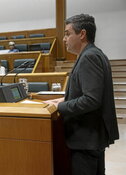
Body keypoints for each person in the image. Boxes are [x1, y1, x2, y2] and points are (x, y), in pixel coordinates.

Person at [44, 14, 119, 175]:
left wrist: (61, 106)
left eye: (67, 33)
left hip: (86, 138)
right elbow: (89, 92)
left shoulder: (89, 57)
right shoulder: (94, 53)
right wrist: (64, 98)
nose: (64, 39)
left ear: (82, 34)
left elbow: (91, 100)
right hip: (91, 136)